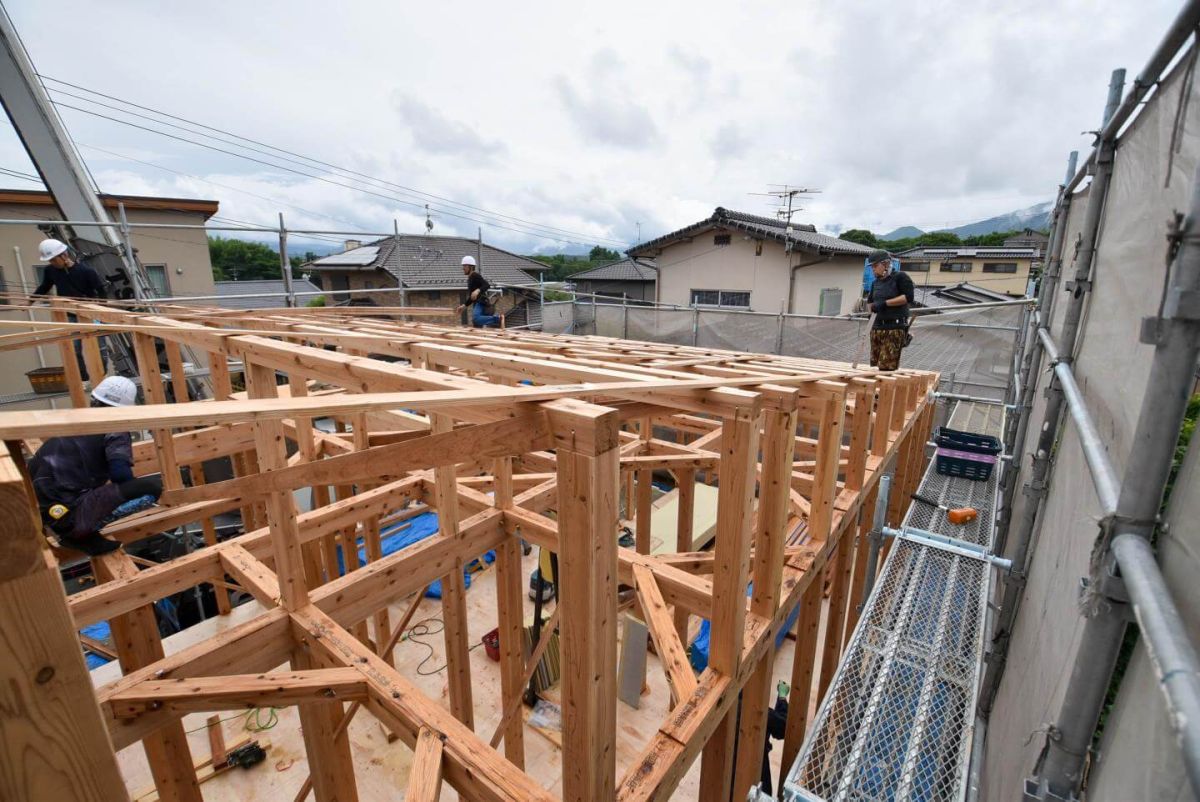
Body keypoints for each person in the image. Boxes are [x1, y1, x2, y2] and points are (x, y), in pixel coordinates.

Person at [29, 375, 162, 556]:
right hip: (69, 515)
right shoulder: (114, 428)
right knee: (151, 488)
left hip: (38, 508)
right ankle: (81, 533)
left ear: (94, 399)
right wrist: (130, 486)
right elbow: (120, 475)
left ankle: (73, 527)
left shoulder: (75, 420)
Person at [31, 238, 108, 376]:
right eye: (50, 261)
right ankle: (83, 377)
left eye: (54, 260)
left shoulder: (86, 271)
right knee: (74, 347)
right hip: (71, 315)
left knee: (99, 346)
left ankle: (102, 374)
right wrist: (30, 302)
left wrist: (100, 311)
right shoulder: (51, 271)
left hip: (90, 314)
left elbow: (102, 292)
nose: (52, 263)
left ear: (64, 255)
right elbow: (44, 287)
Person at [866, 249, 914, 371]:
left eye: (876, 266)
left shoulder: (900, 277)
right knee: (876, 365)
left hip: (893, 328)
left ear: (886, 264)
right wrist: (869, 313)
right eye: (872, 267)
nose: (873, 269)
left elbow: (908, 297)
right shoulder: (875, 283)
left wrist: (885, 303)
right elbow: (870, 301)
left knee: (886, 366)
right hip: (877, 328)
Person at [454, 255, 503, 328]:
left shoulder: (475, 275)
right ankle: (496, 321)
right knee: (477, 325)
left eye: (465, 266)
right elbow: (471, 297)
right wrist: (463, 306)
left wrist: (477, 290)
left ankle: (498, 319)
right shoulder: (470, 278)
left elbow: (486, 285)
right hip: (478, 303)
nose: (463, 268)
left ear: (470, 267)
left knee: (476, 319)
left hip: (481, 302)